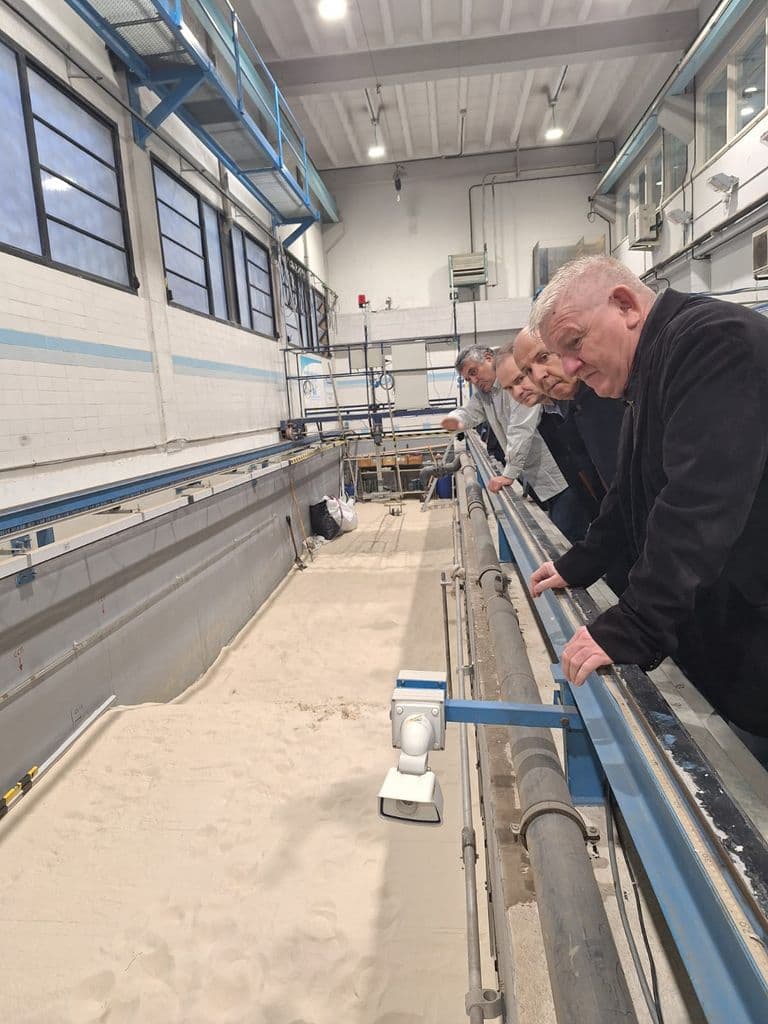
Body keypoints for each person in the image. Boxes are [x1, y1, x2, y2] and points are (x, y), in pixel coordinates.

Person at [527, 254, 768, 763]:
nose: (567, 367)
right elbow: (632, 490)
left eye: (574, 343)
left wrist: (637, 623)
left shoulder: (711, 343)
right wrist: (581, 563)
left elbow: (698, 502)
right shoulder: (654, 367)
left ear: (625, 305)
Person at [441, 346, 586, 542]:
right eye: (468, 379)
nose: (474, 381)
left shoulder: (518, 386)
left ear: (488, 358)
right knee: (558, 531)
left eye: (474, 372)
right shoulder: (486, 395)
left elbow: (520, 429)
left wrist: (509, 474)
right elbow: (469, 412)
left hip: (560, 473)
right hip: (535, 478)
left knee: (570, 534)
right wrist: (453, 420)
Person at [511, 328, 626, 490]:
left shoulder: (610, 397)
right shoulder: (576, 411)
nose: (538, 376)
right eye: (528, 371)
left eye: (544, 357)